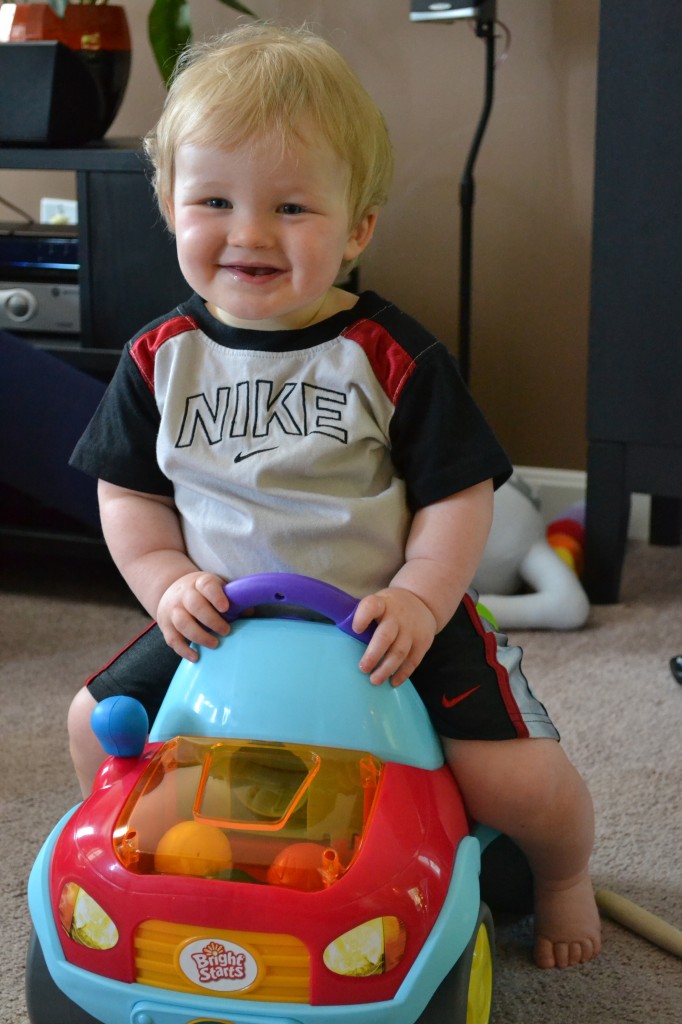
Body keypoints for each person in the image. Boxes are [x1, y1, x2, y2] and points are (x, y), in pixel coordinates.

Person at [67, 23, 601, 970]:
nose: (250, 232)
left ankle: (561, 876)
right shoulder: (156, 359)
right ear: (170, 206)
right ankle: (164, 881)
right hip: (218, 619)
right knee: (92, 723)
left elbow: (457, 496)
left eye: (293, 207)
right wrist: (166, 582)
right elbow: (130, 496)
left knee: (512, 779)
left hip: (386, 621)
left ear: (358, 227)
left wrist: (424, 596)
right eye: (216, 200)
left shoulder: (390, 356)